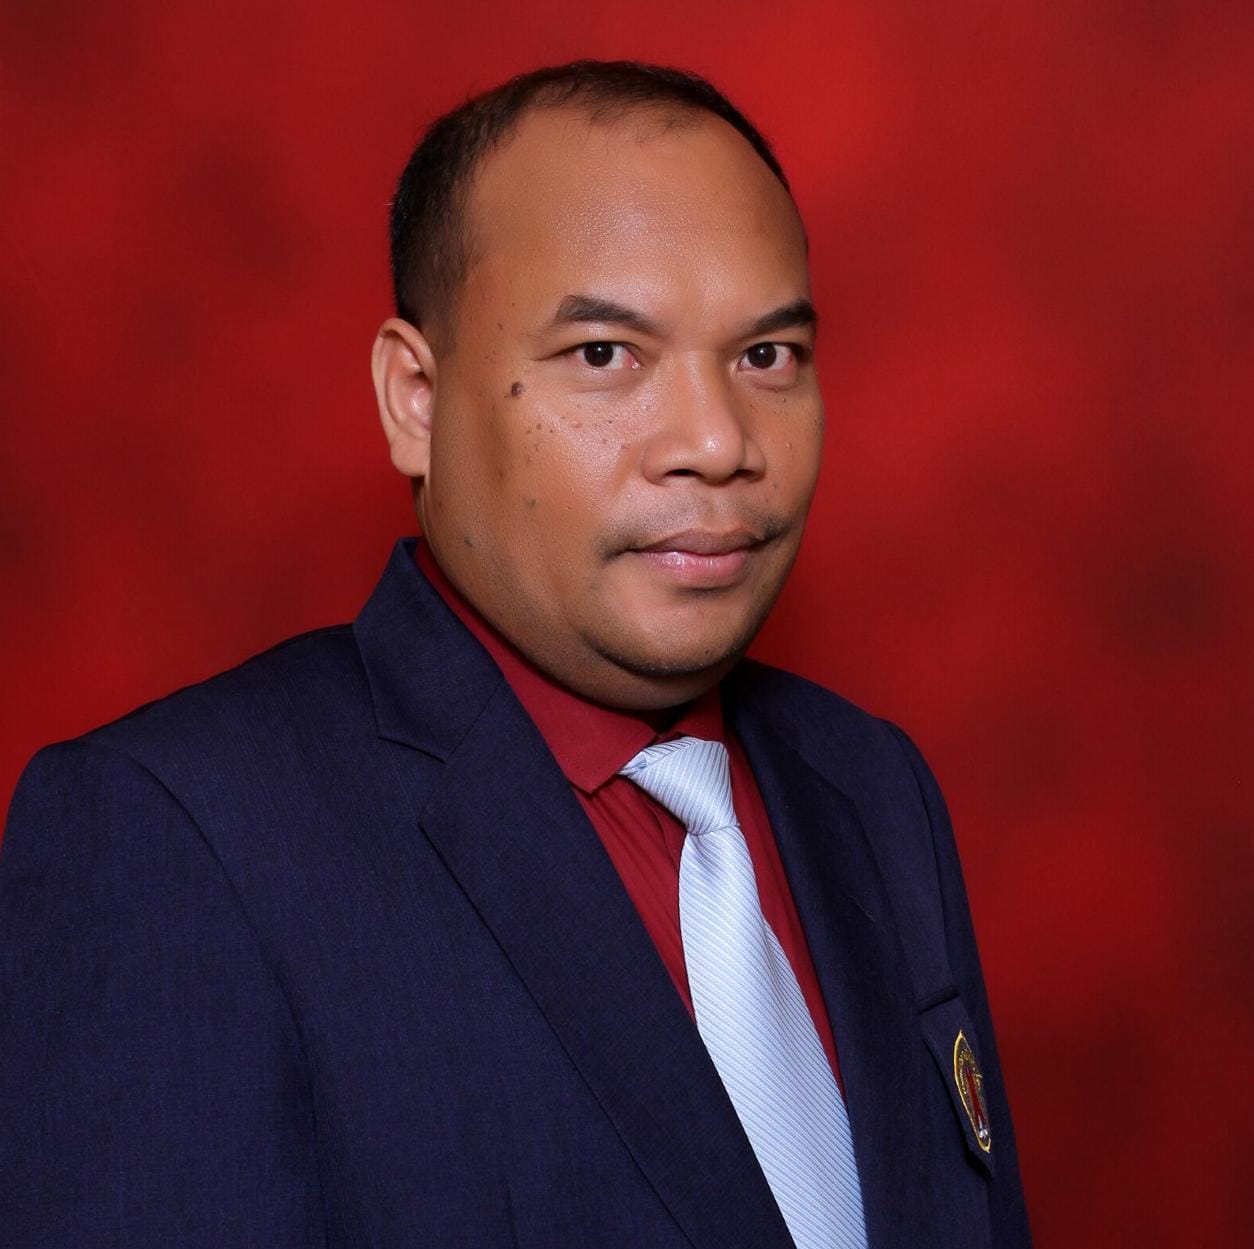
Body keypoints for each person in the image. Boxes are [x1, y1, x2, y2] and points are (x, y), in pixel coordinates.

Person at [0, 61, 1031, 1248]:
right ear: (415, 399)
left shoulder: (874, 789)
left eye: (766, 357)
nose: (717, 440)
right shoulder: (181, 838)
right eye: (604, 354)